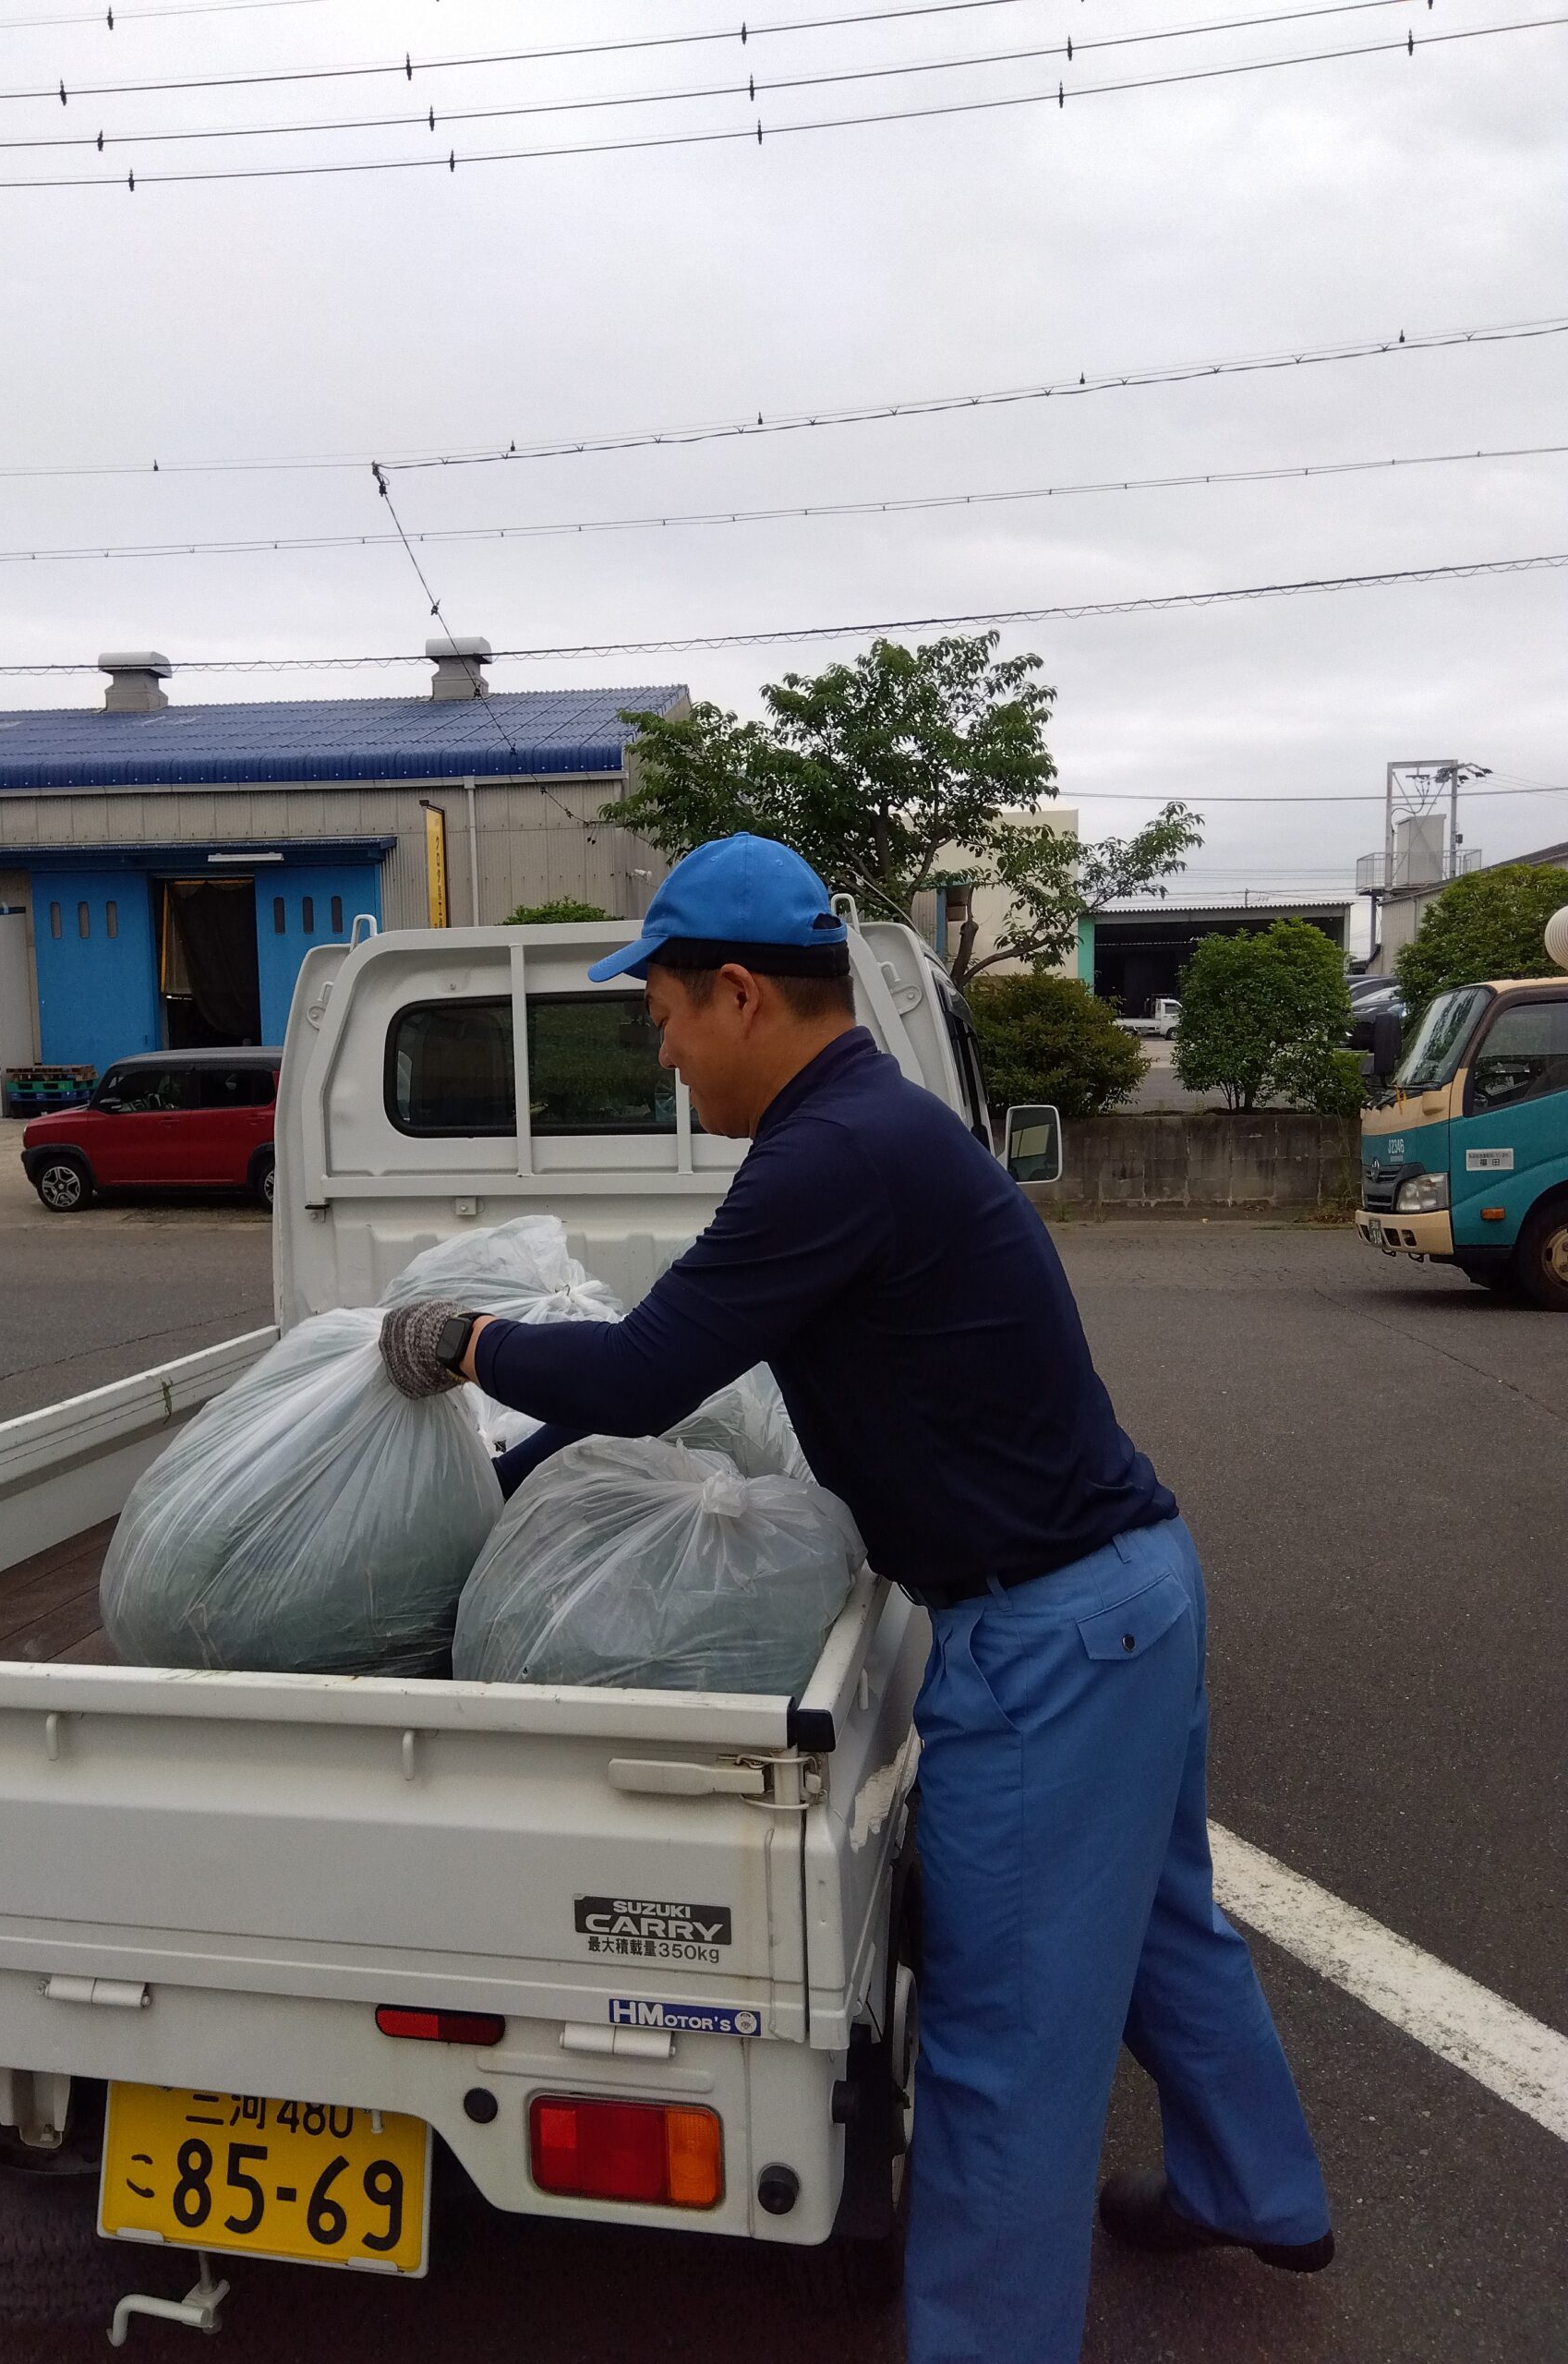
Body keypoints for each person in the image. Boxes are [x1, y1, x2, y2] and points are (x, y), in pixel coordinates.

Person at [380, 832, 1333, 2364]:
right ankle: (1257, 2188)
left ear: (739, 993)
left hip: (1047, 1639)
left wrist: (465, 1342)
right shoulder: (870, 1130)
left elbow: (642, 1372)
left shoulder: (828, 1156)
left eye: (665, 1018)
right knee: (1162, 1926)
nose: (666, 1055)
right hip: (1128, 1595)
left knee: (1000, 2044)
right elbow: (695, 1373)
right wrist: (508, 1478)